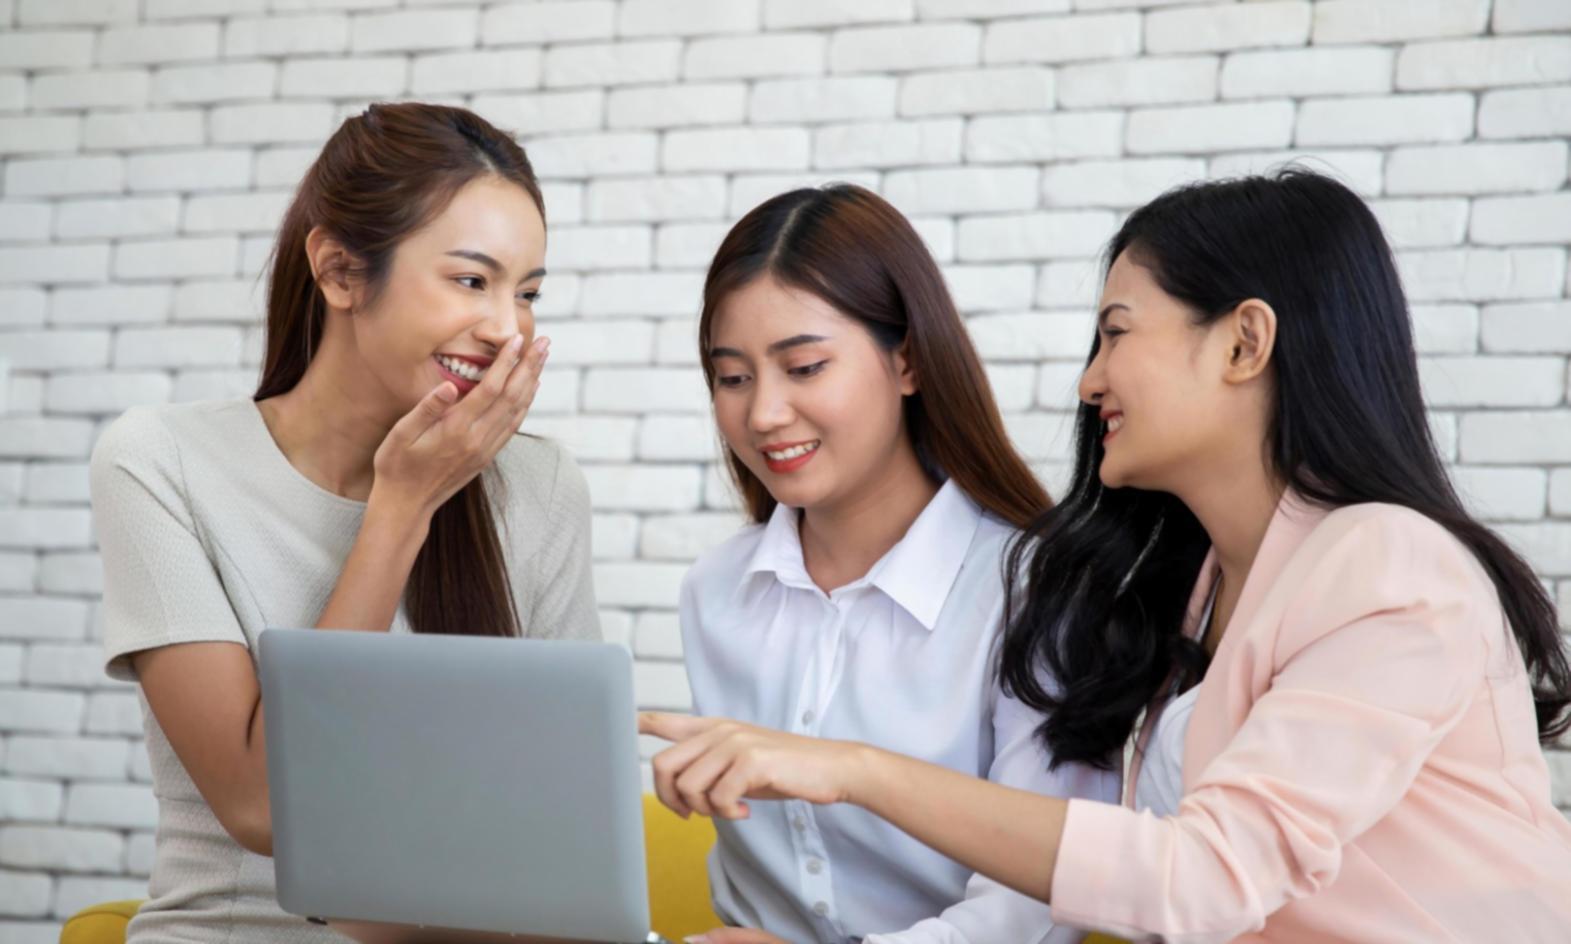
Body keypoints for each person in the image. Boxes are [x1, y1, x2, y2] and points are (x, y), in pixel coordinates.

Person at [643, 169, 1571, 942]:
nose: (1089, 381)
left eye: (1115, 333)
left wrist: (854, 769)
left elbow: (1201, 878)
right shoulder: (1198, 586)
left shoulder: (1388, 564)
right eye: (731, 377)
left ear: (1243, 342)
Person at [90, 102, 598, 943]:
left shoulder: (540, 486)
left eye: (528, 293)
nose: (507, 328)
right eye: (471, 281)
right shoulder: (161, 462)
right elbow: (264, 805)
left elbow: (565, 822)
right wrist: (403, 508)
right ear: (338, 272)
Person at [668, 184, 1118, 944]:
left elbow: (1036, 905)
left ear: (907, 360)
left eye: (804, 366)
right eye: (733, 377)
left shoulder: (1035, 592)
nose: (763, 414)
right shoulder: (715, 591)